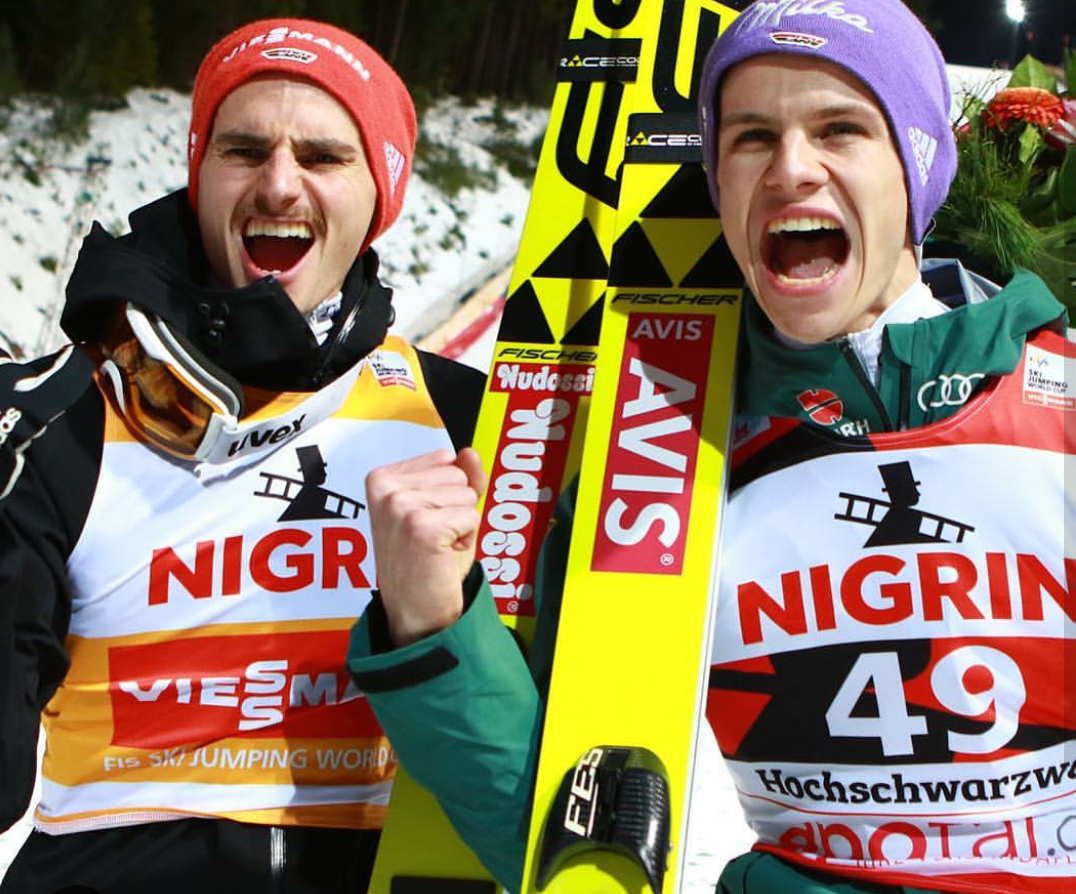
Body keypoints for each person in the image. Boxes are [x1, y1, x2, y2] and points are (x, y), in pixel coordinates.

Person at [349, 0, 1073, 892]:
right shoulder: (655, 452)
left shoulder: (1061, 410)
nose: (791, 169)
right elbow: (575, 842)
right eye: (751, 138)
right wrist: (432, 624)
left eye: (840, 128)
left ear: (918, 166)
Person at [0, 18, 484, 894]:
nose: (279, 183)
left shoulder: (461, 419)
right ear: (198, 175)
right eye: (243, 149)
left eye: (326, 157)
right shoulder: (71, 412)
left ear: (381, 196)